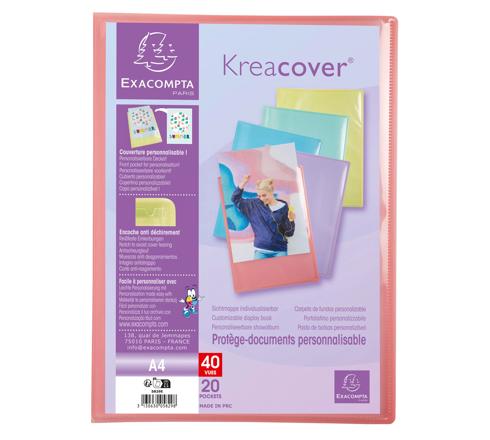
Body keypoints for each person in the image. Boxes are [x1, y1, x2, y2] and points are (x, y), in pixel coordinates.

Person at [231, 175, 296, 259]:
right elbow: (235, 199)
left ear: (271, 192)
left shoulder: (283, 206)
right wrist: (243, 183)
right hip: (261, 251)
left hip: (280, 250)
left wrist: (291, 220)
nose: (261, 198)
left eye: (264, 195)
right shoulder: (254, 205)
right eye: (259, 196)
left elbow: (289, 233)